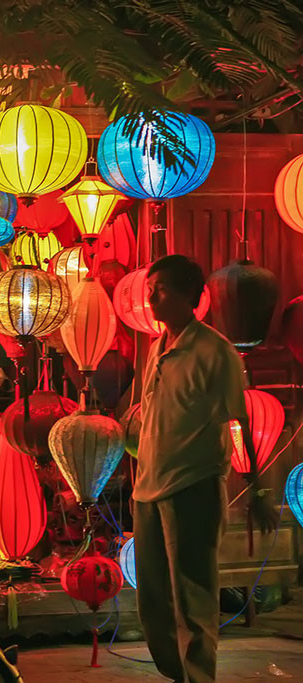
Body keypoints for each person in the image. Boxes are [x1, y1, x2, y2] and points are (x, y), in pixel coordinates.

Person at [134, 254, 275, 683]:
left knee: (193, 599)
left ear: (188, 298)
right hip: (147, 488)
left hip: (192, 485)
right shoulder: (158, 348)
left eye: (160, 290)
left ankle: (200, 677)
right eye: (150, 288)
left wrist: (257, 489)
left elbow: (239, 421)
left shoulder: (215, 351)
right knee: (153, 601)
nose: (151, 297)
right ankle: (178, 675)